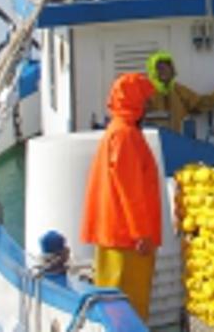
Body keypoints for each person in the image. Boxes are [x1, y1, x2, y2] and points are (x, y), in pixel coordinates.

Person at [82, 72, 162, 321]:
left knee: (112, 302)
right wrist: (141, 234)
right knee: (128, 307)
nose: (149, 106)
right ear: (136, 102)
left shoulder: (117, 131)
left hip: (115, 234)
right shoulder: (126, 136)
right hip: (127, 240)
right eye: (146, 100)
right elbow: (131, 190)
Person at [144, 50, 214, 134]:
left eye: (166, 67)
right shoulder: (144, 92)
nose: (163, 71)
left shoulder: (179, 90)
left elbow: (200, 104)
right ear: (152, 71)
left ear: (171, 69)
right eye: (159, 68)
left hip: (179, 142)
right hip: (153, 145)